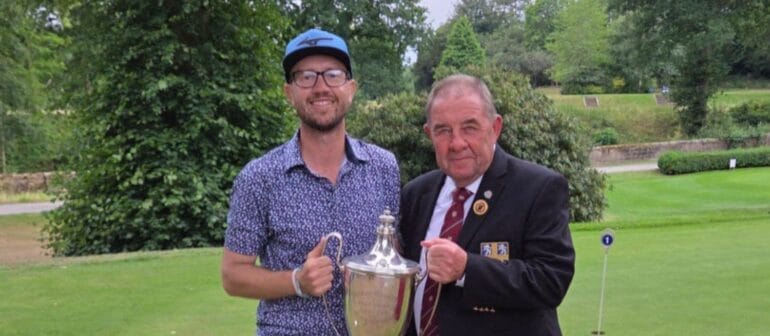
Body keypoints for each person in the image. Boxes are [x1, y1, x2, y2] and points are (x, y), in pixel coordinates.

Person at [221, 28, 400, 335]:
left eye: (333, 75)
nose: (320, 87)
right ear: (289, 92)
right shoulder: (260, 177)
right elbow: (232, 276)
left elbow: (393, 250)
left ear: (351, 88)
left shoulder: (384, 167)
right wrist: (297, 281)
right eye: (305, 76)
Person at [399, 74, 575, 336]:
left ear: (495, 127)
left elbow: (551, 280)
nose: (457, 143)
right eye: (443, 130)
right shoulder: (416, 194)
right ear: (429, 134)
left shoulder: (538, 187)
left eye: (469, 127)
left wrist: (467, 269)